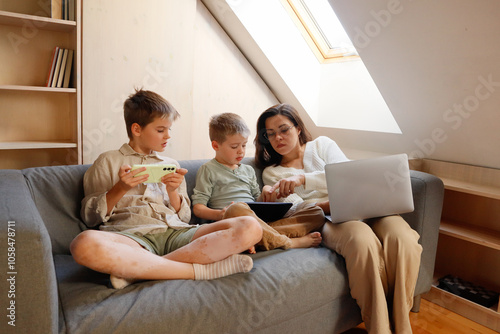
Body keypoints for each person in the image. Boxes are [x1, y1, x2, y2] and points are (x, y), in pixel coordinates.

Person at [254, 103, 422, 334]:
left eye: (284, 129)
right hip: (330, 218)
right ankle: (380, 329)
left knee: (403, 238)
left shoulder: (322, 145)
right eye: (270, 134)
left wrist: (303, 179)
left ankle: (402, 327)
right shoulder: (272, 173)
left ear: (298, 128)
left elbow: (348, 174)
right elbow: (299, 208)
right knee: (362, 241)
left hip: (367, 206)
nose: (278, 138)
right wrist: (330, 203)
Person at [70, 89, 262, 289]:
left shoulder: (171, 163)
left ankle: (140, 273)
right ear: (137, 129)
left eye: (169, 129)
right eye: (161, 130)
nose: (168, 136)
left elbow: (185, 219)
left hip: (176, 233)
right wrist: (121, 187)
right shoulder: (107, 161)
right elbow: (90, 217)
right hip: (131, 237)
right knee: (83, 244)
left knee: (250, 227)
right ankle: (197, 271)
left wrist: (172, 191)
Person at [191, 112, 325, 251]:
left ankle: (259, 238)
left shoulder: (248, 170)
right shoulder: (208, 170)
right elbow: (198, 208)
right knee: (237, 208)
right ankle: (288, 242)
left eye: (244, 145)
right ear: (215, 145)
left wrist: (266, 192)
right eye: (234, 146)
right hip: (231, 222)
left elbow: (257, 200)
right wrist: (220, 214)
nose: (241, 152)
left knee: (315, 212)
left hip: (258, 221)